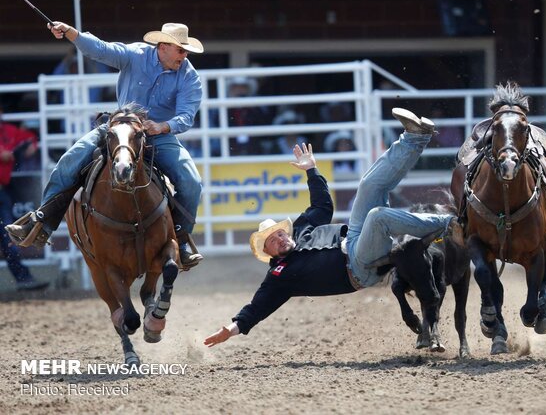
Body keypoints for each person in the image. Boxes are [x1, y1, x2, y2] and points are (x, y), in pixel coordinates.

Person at [203, 107, 463, 347]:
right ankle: (449, 225)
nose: (280, 238)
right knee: (377, 216)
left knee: (369, 185)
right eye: (273, 241)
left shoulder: (302, 229)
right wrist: (231, 329)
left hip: (354, 237)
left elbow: (323, 206)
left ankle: (415, 137)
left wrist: (311, 170)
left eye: (280, 233)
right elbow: (256, 309)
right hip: (358, 268)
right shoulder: (279, 277)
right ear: (269, 254)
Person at [5, 22, 205, 269]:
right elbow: (101, 49)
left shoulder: (188, 75)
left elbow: (186, 116)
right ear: (163, 47)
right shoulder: (135, 55)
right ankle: (41, 223)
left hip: (158, 134)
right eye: (181, 50)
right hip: (121, 127)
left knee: (191, 181)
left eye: (185, 52)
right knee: (71, 159)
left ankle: (181, 238)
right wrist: (72, 33)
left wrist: (163, 126)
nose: (184, 56)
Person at [0, 108, 49, 290]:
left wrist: (31, 144)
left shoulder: (8, 132)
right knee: (7, 238)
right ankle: (23, 278)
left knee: (8, 238)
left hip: (2, 191)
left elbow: (28, 138)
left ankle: (24, 278)